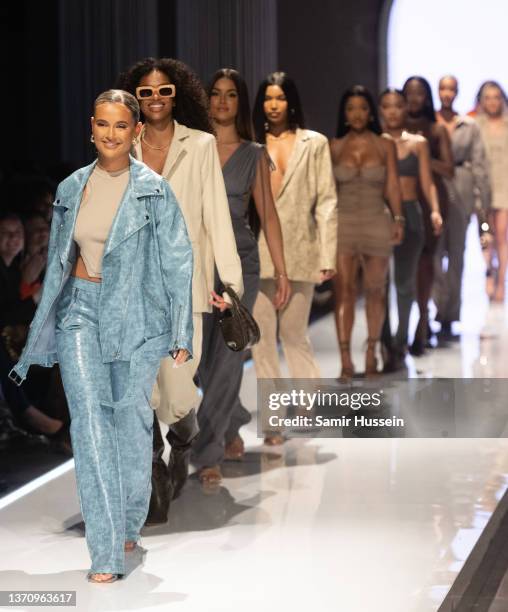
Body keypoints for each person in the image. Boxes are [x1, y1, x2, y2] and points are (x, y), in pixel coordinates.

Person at [9, 89, 194, 583]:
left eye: (121, 126)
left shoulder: (154, 189)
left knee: (131, 423)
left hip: (136, 315)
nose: (111, 134)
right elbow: (57, 262)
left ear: (136, 131)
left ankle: (131, 517)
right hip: (80, 314)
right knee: (90, 427)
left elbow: (178, 261)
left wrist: (181, 327)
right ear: (91, 128)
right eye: (103, 125)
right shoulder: (70, 188)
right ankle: (107, 548)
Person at [118, 57, 243, 500]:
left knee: (176, 390)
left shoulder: (202, 145)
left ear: (178, 95)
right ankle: (153, 475)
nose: (155, 99)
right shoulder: (121, 144)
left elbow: (216, 216)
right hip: (132, 285)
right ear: (134, 97)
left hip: (185, 285)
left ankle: (183, 438)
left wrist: (229, 283)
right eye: (146, 92)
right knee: (140, 388)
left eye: (163, 91)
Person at [191, 68, 291, 485]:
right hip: (195, 260)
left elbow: (266, 214)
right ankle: (232, 418)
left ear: (240, 101)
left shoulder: (253, 153)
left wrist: (281, 270)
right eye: (215, 94)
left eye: (231, 95)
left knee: (229, 353)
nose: (222, 101)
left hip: (240, 263)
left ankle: (209, 451)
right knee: (197, 360)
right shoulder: (191, 146)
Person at [251, 71, 338, 444]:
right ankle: (272, 421)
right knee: (262, 338)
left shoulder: (313, 143)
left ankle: (305, 403)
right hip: (257, 251)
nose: (274, 105)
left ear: (291, 102)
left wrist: (327, 252)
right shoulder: (250, 144)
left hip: (300, 248)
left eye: (280, 98)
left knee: (293, 333)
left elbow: (327, 199)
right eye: (268, 98)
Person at [330, 85, 403, 379]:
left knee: (376, 290)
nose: (357, 114)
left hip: (376, 219)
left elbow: (393, 185)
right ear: (344, 114)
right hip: (343, 221)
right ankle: (346, 359)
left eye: (362, 108)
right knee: (343, 293)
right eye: (351, 109)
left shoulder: (385, 145)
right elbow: (327, 193)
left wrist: (399, 219)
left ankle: (371, 352)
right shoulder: (334, 146)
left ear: (370, 111)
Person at [379, 88, 442, 368]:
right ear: (380, 110)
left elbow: (427, 180)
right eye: (386, 106)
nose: (392, 111)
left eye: (397, 105)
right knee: (377, 284)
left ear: (406, 108)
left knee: (405, 284)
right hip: (378, 215)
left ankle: (399, 341)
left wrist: (436, 210)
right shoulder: (375, 142)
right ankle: (381, 340)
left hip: (412, 213)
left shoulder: (418, 143)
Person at [435, 75, 491, 331]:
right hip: (434, 186)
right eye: (443, 88)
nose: (447, 93)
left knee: (457, 253)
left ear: (457, 93)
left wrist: (483, 214)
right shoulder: (429, 123)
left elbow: (480, 166)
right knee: (434, 254)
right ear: (438, 92)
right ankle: (439, 306)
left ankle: (450, 315)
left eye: (451, 89)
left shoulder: (469, 126)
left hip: (462, 185)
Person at [402, 76, 454, 355]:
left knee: (424, 260)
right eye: (408, 93)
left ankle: (422, 320)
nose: (413, 98)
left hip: (431, 197)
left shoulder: (435, 130)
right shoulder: (392, 129)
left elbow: (449, 169)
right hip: (401, 198)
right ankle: (400, 327)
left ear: (427, 96)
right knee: (402, 264)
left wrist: (419, 156)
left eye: (419, 93)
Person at [474, 81, 508, 302]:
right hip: (482, 187)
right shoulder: (474, 125)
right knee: (486, 235)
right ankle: (490, 269)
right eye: (488, 97)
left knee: (502, 235)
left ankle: (501, 279)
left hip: (505, 184)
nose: (493, 101)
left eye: (496, 97)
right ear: (482, 101)